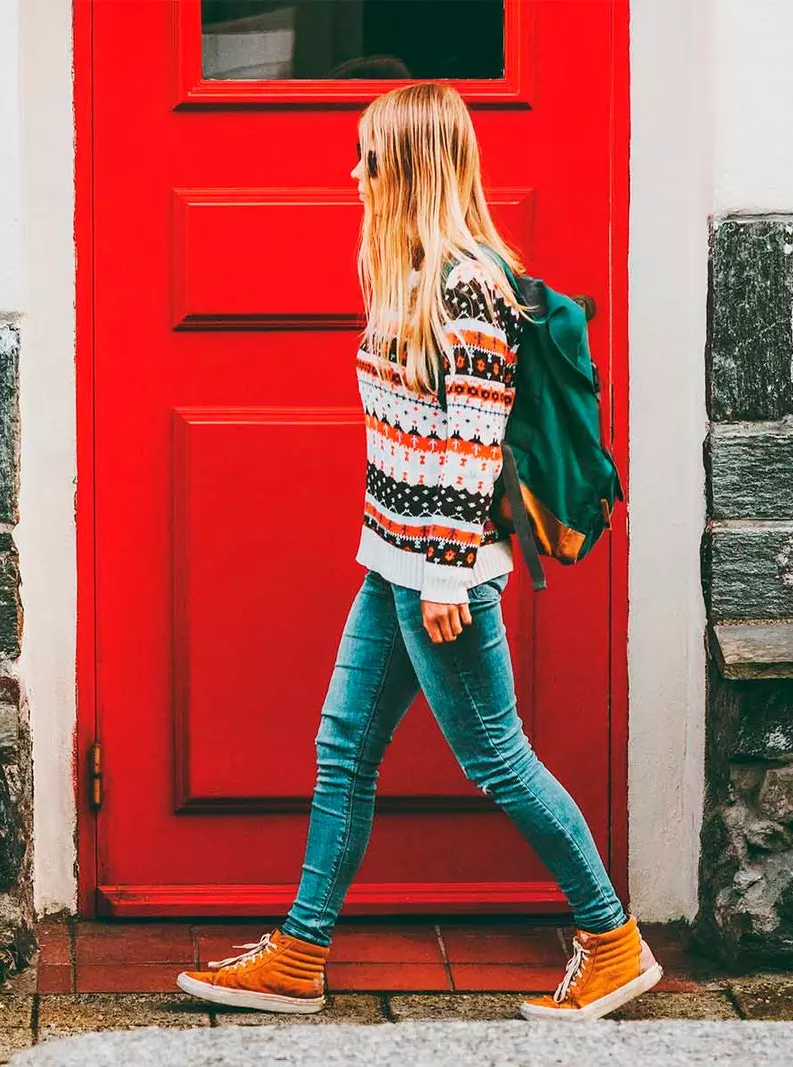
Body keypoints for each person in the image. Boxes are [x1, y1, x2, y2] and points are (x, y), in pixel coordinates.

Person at [175, 82, 660, 1022]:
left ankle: (611, 942)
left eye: (367, 156)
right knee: (344, 746)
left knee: (499, 762)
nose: (352, 172)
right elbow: (413, 434)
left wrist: (443, 569)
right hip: (395, 557)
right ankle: (300, 953)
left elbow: (472, 443)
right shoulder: (409, 277)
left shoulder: (468, 285)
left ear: (409, 167)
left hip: (441, 572)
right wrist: (402, 554)